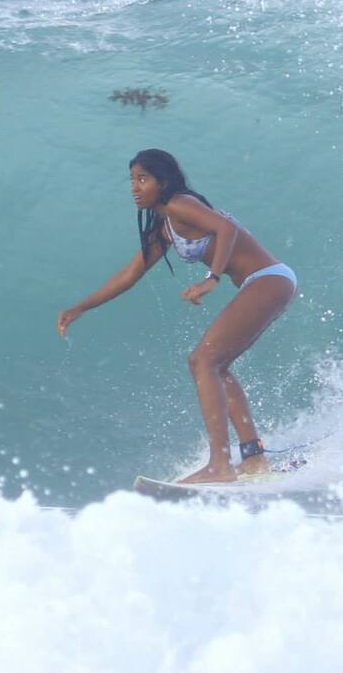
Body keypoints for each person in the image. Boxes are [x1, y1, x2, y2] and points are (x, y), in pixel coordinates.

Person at [56, 149, 298, 483]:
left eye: (143, 179)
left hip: (268, 280)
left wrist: (212, 278)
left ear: (163, 181)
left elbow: (226, 228)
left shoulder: (179, 204)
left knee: (202, 361)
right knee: (214, 365)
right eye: (132, 180)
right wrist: (81, 307)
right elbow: (129, 275)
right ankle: (254, 458)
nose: (135, 187)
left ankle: (219, 465)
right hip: (267, 283)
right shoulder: (165, 228)